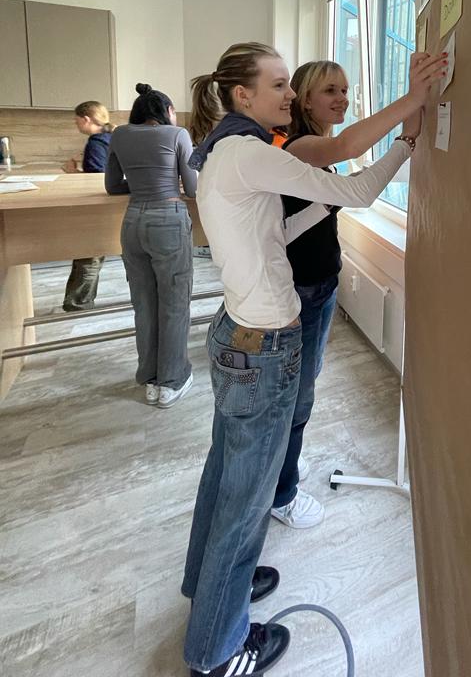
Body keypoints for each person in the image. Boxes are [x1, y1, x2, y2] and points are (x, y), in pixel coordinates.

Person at [181, 41, 443, 677]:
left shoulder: (227, 149)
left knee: (226, 475)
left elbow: (282, 228)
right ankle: (217, 652)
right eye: (279, 85)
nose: (291, 95)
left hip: (238, 333)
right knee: (246, 502)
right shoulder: (250, 152)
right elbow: (355, 184)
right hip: (263, 344)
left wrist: (403, 140)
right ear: (243, 95)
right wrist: (412, 116)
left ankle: (209, 588)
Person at [270, 56, 439, 529]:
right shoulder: (297, 146)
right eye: (330, 90)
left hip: (319, 286)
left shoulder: (313, 150)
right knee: (297, 398)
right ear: (305, 99)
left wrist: (407, 137)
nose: (342, 99)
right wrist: (413, 100)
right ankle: (282, 493)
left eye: (345, 90)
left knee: (304, 387)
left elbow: (354, 188)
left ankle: (283, 462)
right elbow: (349, 153)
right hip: (302, 290)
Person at [105, 83, 197, 408]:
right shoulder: (177, 135)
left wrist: (140, 182)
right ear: (167, 111)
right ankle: (172, 382)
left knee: (144, 304)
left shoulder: (119, 134)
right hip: (168, 221)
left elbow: (112, 185)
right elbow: (193, 188)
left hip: (132, 223)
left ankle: (150, 379)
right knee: (174, 303)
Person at [62, 101, 113, 312]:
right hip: (114, 204)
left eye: (77, 121)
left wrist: (73, 172)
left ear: (86, 119)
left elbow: (97, 179)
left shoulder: (96, 143)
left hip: (98, 206)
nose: (76, 125)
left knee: (89, 254)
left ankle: (78, 304)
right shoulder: (111, 137)